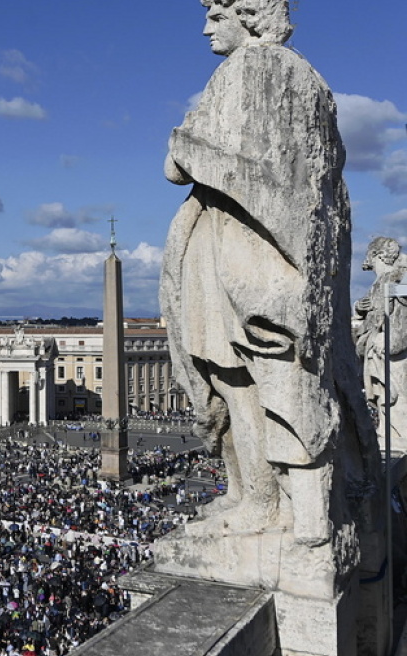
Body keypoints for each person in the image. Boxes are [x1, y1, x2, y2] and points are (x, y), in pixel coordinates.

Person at [158, 0, 376, 549]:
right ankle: (263, 497)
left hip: (245, 254)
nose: (206, 28)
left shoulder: (249, 71)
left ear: (248, 15)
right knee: (250, 380)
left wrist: (184, 142)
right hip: (254, 252)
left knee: (265, 381)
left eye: (215, 15)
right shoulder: (312, 80)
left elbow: (178, 163)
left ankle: (285, 507)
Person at [354, 236, 407, 450]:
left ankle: (397, 437)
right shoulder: (382, 283)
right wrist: (358, 307)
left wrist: (385, 337)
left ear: (376, 256)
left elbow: (400, 319)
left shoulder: (393, 280)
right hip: (380, 352)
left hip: (388, 354)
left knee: (394, 402)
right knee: (389, 406)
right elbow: (371, 317)